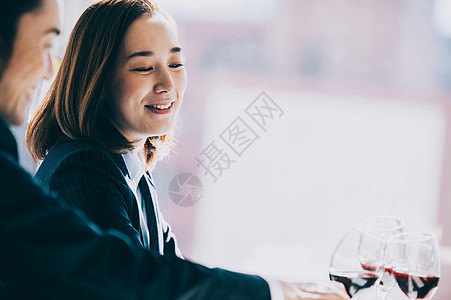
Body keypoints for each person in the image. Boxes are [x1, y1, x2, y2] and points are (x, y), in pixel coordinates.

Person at [0, 0, 349, 299]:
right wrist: (276, 292)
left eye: (176, 64)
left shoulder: (131, 169)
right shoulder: (84, 165)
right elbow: (135, 283)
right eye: (142, 67)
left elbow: (175, 276)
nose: (167, 84)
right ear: (98, 81)